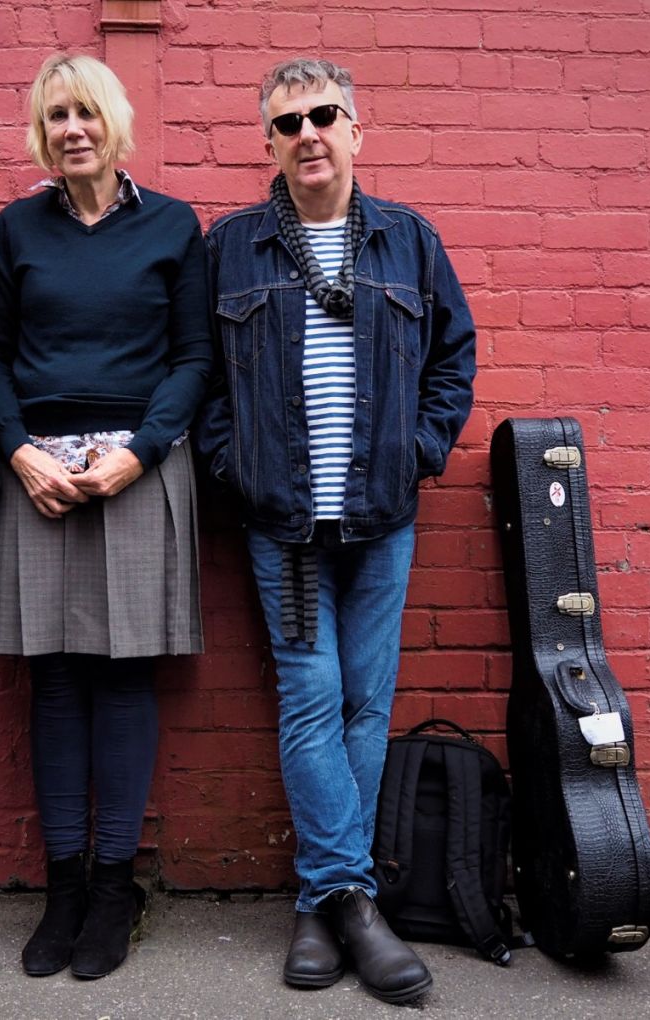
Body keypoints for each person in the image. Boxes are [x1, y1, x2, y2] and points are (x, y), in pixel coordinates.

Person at [194, 58, 477, 1004]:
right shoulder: (231, 246)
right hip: (285, 531)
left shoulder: (409, 241)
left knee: (367, 703)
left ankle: (325, 905)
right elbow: (197, 380)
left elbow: (454, 360)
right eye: (288, 122)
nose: (308, 133)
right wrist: (235, 471)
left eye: (325, 116)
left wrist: (418, 452)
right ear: (267, 143)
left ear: (358, 129)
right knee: (314, 701)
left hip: (380, 519)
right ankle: (354, 903)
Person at [0, 53, 212, 981]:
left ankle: (116, 886)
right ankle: (64, 886)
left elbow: (194, 358)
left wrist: (140, 453)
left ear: (115, 122)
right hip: (35, 472)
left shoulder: (172, 227)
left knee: (123, 681)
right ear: (42, 131)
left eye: (86, 113)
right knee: (57, 681)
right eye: (55, 115)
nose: (72, 129)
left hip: (138, 469)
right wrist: (17, 450)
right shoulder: (16, 228)